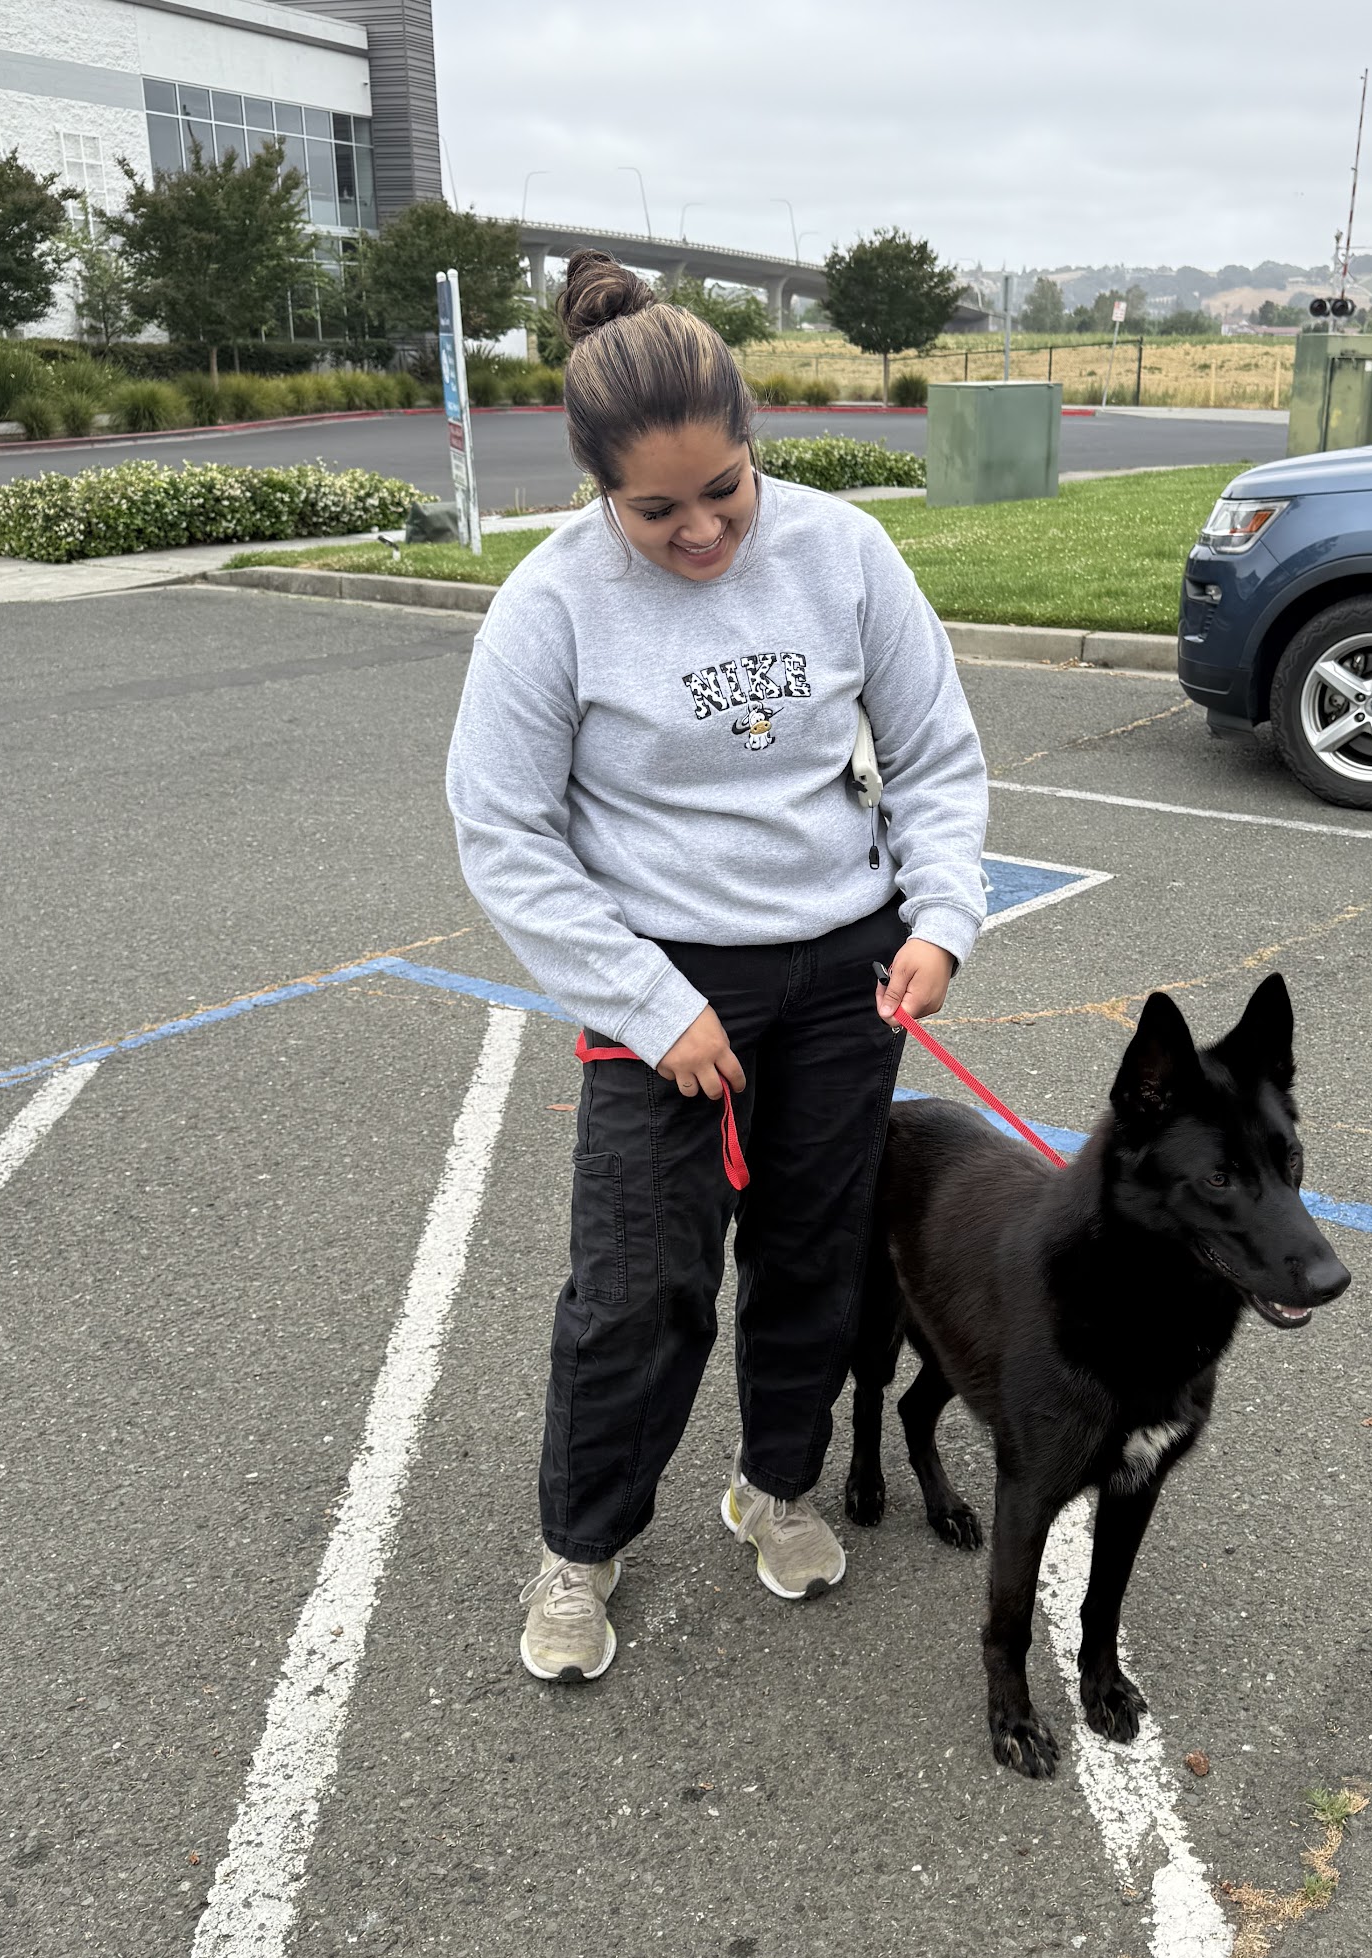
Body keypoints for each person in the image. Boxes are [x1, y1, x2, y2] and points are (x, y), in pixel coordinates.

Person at [444, 251, 989, 1684]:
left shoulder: (844, 553)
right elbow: (504, 836)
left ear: (758, 451)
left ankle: (777, 1482)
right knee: (639, 1284)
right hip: (661, 977)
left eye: (725, 492)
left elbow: (934, 756)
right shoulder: (550, 605)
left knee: (814, 1253)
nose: (701, 534)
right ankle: (583, 1545)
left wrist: (939, 919)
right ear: (595, 487)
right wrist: (649, 1002)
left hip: (841, 969)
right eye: (655, 510)